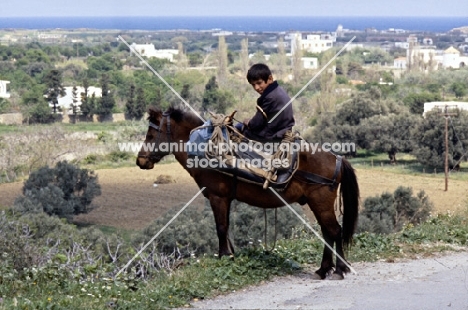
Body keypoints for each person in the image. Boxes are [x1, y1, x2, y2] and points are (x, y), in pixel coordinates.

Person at [236, 63, 295, 142]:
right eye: (253, 85)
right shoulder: (278, 90)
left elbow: (256, 123)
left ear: (270, 79)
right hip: (284, 129)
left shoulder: (269, 97)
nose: (256, 88)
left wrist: (248, 122)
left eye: (259, 83)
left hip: (273, 135)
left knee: (237, 128)